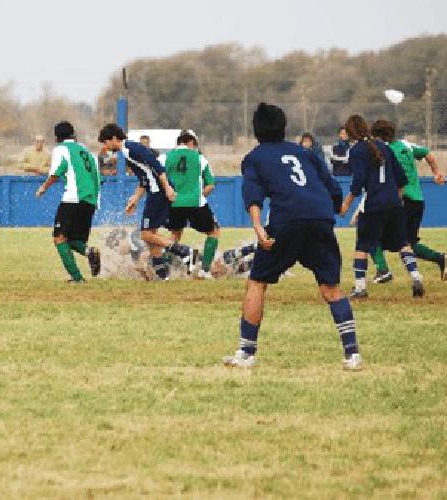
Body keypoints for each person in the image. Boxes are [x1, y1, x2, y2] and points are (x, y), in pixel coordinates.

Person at [222, 103, 360, 370]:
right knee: (331, 287)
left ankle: (246, 354)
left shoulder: (254, 158)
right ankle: (352, 354)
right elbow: (332, 188)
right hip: (320, 220)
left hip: (286, 221)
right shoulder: (305, 153)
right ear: (284, 127)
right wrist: (329, 211)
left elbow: (253, 195)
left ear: (256, 130)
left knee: (257, 282)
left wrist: (259, 228)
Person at [337, 115, 425, 299]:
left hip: (374, 205)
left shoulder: (357, 151)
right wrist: (396, 201)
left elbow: (358, 182)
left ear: (351, 133)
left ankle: (360, 288)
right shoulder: (384, 147)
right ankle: (416, 277)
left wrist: (346, 204)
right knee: (403, 243)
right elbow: (402, 180)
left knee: (362, 246)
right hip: (394, 203)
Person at [98, 123, 193, 281]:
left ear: (114, 138)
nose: (106, 147)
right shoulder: (127, 152)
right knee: (151, 236)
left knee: (146, 234)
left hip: (158, 193)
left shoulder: (131, 149)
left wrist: (168, 188)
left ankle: (183, 251)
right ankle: (163, 276)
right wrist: (135, 199)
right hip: (156, 192)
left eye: (106, 142)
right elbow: (144, 179)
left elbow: (157, 167)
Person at [366, 120, 447, 283]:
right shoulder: (407, 145)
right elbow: (428, 154)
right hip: (417, 200)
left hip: (401, 200)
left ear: (379, 137)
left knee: (373, 234)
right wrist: (436, 173)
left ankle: (383, 270)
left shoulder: (384, 151)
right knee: (408, 243)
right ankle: (439, 258)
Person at [35, 121, 102, 283]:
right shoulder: (88, 152)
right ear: (73, 134)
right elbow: (97, 178)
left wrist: (43, 188)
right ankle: (89, 252)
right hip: (90, 201)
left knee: (59, 238)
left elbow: (56, 172)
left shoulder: (61, 149)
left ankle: (77, 278)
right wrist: (96, 202)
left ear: (57, 137)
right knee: (72, 240)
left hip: (72, 199)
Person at [163, 132, 221, 280]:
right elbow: (210, 185)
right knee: (213, 232)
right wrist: (200, 195)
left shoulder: (165, 157)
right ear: (190, 142)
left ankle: (165, 271)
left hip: (173, 202)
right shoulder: (200, 158)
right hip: (196, 202)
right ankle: (205, 270)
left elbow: (159, 178)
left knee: (175, 235)